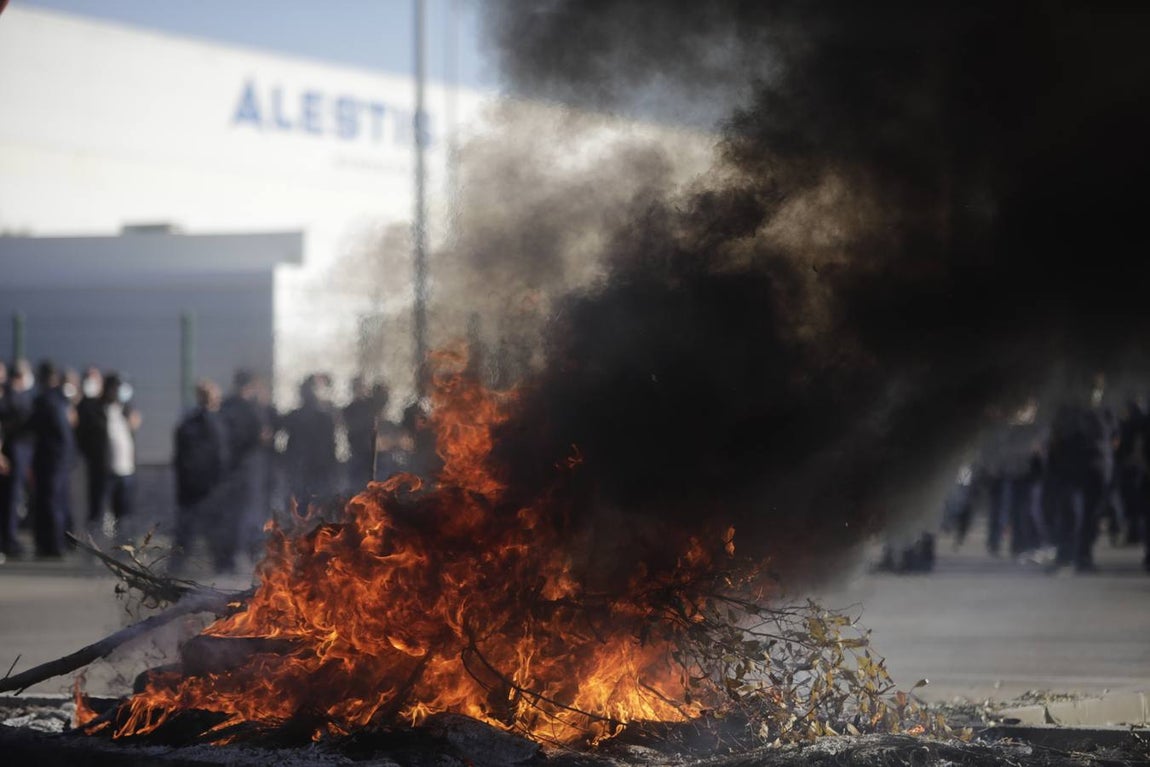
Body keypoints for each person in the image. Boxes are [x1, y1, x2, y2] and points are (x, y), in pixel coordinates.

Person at [171, 379, 230, 573]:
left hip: (207, 486)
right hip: (200, 486)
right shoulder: (198, 424)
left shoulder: (208, 421)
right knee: (188, 529)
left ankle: (222, 565)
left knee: (212, 528)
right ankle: (176, 566)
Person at [218, 369, 268, 572]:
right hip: (247, 468)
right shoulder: (251, 409)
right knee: (247, 513)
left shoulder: (225, 406)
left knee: (231, 513)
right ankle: (244, 554)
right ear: (251, 386)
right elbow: (261, 435)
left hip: (228, 468)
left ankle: (228, 557)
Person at [30, 360, 76, 557]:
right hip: (61, 459)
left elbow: (38, 427)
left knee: (50, 502)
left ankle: (52, 545)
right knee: (59, 502)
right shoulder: (61, 399)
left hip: (50, 459)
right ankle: (60, 543)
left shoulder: (46, 400)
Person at [280, 375, 338, 508]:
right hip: (318, 470)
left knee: (299, 507)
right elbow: (330, 448)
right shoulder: (326, 418)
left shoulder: (293, 416)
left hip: (299, 469)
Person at [100, 373, 141, 542]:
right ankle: (103, 544)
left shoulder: (125, 409)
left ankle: (125, 545)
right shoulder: (101, 410)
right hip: (107, 470)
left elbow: (133, 427)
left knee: (126, 513)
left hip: (126, 470)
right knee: (104, 513)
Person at [0, 360, 35, 557]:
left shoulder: (18, 396)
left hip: (18, 454)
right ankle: (9, 541)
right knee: (10, 498)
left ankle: (9, 540)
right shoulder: (11, 398)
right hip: (13, 454)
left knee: (13, 499)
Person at [75, 366, 107, 535]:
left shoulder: (106, 405)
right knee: (88, 500)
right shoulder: (81, 405)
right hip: (85, 460)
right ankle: (88, 532)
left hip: (108, 462)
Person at [342, 377, 389, 490]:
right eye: (358, 387)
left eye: (362, 387)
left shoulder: (370, 406)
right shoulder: (349, 409)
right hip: (357, 454)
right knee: (357, 487)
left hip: (372, 454)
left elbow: (382, 403)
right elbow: (353, 428)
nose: (361, 390)